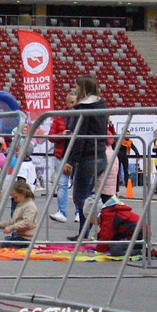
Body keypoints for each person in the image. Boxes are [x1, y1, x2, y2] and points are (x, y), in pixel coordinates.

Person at [62, 75, 108, 241]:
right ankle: (87, 230)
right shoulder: (101, 104)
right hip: (100, 154)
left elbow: (80, 137)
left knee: (81, 197)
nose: (75, 90)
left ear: (83, 88)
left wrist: (70, 161)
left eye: (77, 87)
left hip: (88, 157)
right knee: (89, 196)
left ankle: (87, 230)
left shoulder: (84, 108)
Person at [47, 91, 76, 223]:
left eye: (75, 102)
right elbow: (51, 136)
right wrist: (61, 134)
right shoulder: (59, 117)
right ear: (66, 102)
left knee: (79, 186)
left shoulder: (83, 115)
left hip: (77, 155)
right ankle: (62, 212)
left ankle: (79, 213)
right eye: (71, 102)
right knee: (62, 184)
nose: (73, 105)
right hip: (62, 155)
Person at [0, 179, 37, 245]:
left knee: (4, 245)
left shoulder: (30, 206)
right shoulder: (21, 204)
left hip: (26, 239)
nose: (15, 200)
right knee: (4, 242)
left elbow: (27, 223)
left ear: (23, 193)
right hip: (19, 236)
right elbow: (13, 222)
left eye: (16, 197)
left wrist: (11, 228)